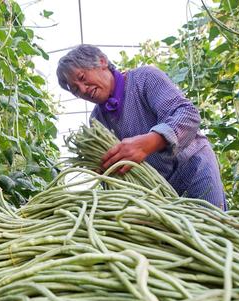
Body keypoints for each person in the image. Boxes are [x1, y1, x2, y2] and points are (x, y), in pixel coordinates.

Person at [56, 44, 226, 209]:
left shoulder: (144, 79)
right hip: (157, 192)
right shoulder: (97, 121)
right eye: (75, 90)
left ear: (102, 62)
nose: (83, 90)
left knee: (213, 231)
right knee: (177, 237)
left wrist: (148, 143)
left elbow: (187, 114)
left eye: (82, 78)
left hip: (194, 168)